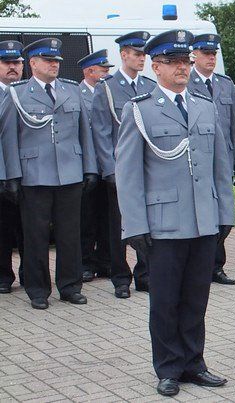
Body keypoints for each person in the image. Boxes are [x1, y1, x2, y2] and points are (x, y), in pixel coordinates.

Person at [115, 29, 234, 396]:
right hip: (164, 224)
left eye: (186, 61)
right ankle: (168, 367)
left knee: (196, 298)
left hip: (202, 220)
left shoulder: (204, 105)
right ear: (156, 66)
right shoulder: (140, 109)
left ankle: (194, 363)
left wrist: (225, 214)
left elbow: (219, 165)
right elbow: (129, 172)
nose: (183, 68)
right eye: (173, 62)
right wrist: (135, 226)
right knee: (165, 301)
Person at [0, 38, 98, 310]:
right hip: (35, 175)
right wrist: (12, 176)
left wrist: (89, 168)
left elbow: (84, 132)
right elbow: (9, 137)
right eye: (48, 60)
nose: (54, 65)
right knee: (36, 237)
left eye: (56, 61)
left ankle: (69, 286)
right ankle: (38, 289)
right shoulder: (17, 93)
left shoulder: (70, 90)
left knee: (70, 235)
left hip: (70, 173)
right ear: (32, 63)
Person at [92, 31, 157, 296]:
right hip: (120, 168)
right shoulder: (106, 87)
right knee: (118, 225)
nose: (142, 59)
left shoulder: (149, 86)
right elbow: (101, 131)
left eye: (144, 54)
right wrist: (109, 169)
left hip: (146, 169)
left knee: (146, 221)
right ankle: (120, 277)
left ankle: (145, 274)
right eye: (137, 54)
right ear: (124, 55)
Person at [188, 33, 235, 285]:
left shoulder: (225, 84)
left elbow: (234, 126)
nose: (211, 58)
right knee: (200, 211)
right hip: (198, 158)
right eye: (206, 53)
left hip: (223, 159)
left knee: (221, 212)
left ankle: (217, 266)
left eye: (213, 54)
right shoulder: (186, 82)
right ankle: (199, 265)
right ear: (194, 55)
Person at [77, 50, 114, 283]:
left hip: (107, 166)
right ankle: (85, 263)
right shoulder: (77, 93)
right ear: (89, 71)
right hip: (87, 167)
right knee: (86, 219)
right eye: (103, 71)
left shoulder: (108, 93)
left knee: (107, 218)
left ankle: (105, 261)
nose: (106, 75)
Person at [0, 40, 25, 293]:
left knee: (29, 229)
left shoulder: (27, 92)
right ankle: (3, 278)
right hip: (2, 174)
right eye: (7, 63)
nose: (13, 68)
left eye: (16, 63)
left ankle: (30, 274)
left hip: (29, 173)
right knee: (2, 230)